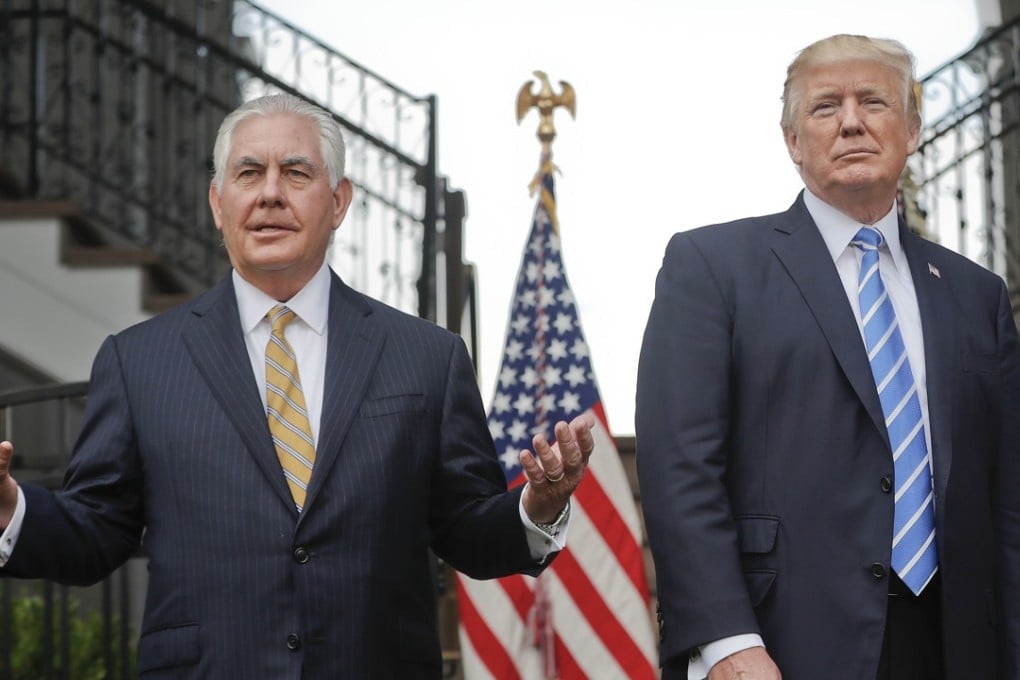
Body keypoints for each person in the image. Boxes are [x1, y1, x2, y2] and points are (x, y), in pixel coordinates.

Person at [0, 93, 594, 678]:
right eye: (249, 172)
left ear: (338, 202)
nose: (269, 194)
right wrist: (10, 511)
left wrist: (537, 507)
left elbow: (468, 532)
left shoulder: (427, 359)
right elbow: (95, 531)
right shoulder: (138, 362)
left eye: (296, 172)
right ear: (217, 202)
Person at [636, 34, 1020, 680]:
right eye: (824, 107)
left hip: (956, 648)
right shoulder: (711, 269)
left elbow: (1006, 500)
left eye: (873, 100)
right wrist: (726, 640)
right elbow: (680, 471)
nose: (850, 122)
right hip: (781, 646)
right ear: (792, 140)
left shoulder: (976, 295)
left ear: (913, 129)